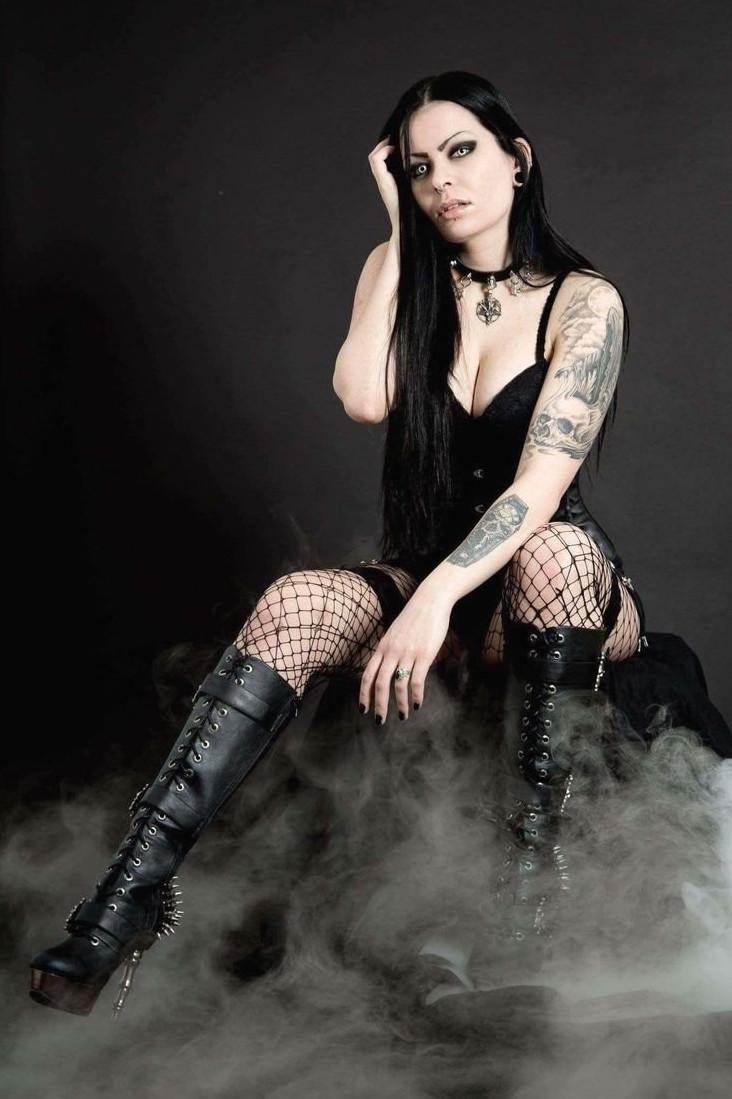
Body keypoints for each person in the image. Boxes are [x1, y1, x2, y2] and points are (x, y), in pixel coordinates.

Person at [29, 70, 732, 1017]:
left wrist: (437, 598)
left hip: (551, 583)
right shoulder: (400, 272)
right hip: (428, 569)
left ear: (518, 160)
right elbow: (363, 396)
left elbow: (538, 488)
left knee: (553, 553)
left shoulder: (584, 302)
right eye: (418, 166)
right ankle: (125, 899)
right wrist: (399, 237)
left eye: (462, 151)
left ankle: (530, 912)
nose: (442, 180)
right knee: (295, 602)